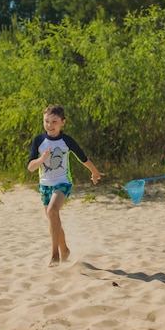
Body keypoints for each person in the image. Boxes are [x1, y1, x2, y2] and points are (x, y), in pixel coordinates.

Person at [28, 104, 103, 267]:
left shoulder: (66, 141)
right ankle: (65, 250)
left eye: (54, 122)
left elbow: (82, 157)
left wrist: (95, 172)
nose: (50, 125)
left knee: (52, 211)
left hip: (63, 183)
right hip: (44, 185)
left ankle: (55, 254)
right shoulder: (39, 140)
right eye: (47, 121)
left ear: (63, 122)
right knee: (53, 218)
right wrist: (41, 159)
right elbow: (31, 167)